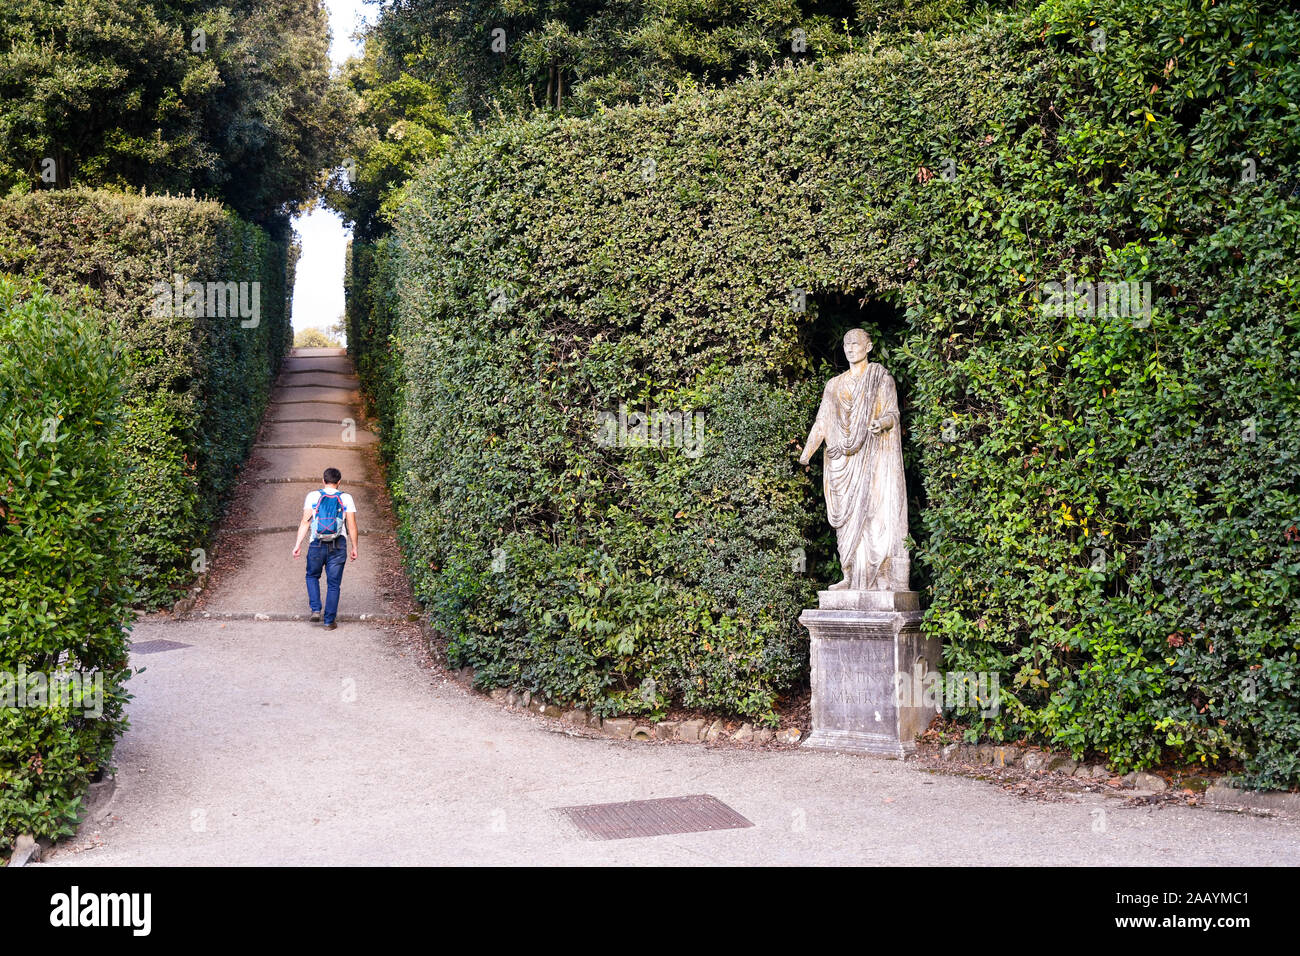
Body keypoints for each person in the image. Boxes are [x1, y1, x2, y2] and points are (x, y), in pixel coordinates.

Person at [799, 328, 909, 591]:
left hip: (874, 458)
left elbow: (893, 414)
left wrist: (882, 422)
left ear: (869, 346)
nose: (849, 347)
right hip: (841, 462)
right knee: (846, 521)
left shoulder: (881, 378)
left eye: (856, 343)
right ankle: (850, 575)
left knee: (875, 515)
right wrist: (807, 453)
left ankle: (882, 576)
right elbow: (822, 421)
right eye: (846, 343)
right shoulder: (834, 385)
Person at [292, 467, 359, 628]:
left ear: (323, 481)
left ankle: (315, 609)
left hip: (316, 543)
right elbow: (352, 525)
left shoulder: (313, 496)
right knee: (334, 584)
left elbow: (305, 522)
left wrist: (298, 544)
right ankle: (329, 621)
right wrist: (354, 547)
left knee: (312, 576)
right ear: (339, 482)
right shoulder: (346, 498)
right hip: (338, 544)